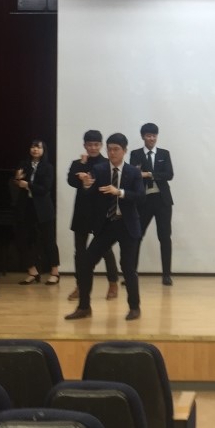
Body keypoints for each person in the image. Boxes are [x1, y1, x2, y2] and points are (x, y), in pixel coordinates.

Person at [65, 133, 145, 321]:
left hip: (127, 225)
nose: (112, 153)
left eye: (116, 149)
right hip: (107, 225)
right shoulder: (99, 169)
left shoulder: (133, 172)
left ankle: (134, 307)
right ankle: (84, 307)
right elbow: (89, 194)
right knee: (86, 263)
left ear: (124, 151)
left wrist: (120, 192)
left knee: (128, 267)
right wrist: (86, 185)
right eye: (109, 149)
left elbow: (140, 196)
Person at [67, 130, 119, 301]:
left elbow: (107, 184)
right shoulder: (78, 163)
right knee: (80, 252)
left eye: (96, 144)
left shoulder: (106, 163)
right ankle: (80, 286)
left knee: (105, 250)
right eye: (90, 145)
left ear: (101, 145)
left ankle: (113, 283)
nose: (93, 148)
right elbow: (71, 181)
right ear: (85, 145)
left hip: (100, 213)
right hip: (81, 212)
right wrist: (82, 166)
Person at [129, 123, 175, 285]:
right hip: (144, 200)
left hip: (162, 200)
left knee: (165, 237)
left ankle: (166, 275)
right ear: (143, 136)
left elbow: (169, 174)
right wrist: (150, 174)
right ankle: (131, 273)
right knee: (137, 236)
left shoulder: (164, 153)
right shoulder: (135, 154)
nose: (151, 138)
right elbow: (134, 173)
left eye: (154, 135)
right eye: (148, 135)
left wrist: (148, 173)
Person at [14, 139, 61, 285]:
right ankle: (32, 272)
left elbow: (45, 188)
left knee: (49, 240)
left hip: (43, 208)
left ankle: (55, 272)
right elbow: (16, 183)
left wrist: (27, 184)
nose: (35, 149)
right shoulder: (24, 164)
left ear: (43, 150)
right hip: (26, 206)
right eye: (33, 147)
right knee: (25, 239)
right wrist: (17, 179)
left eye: (38, 147)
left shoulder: (48, 167)